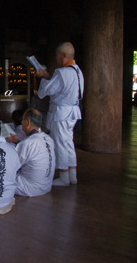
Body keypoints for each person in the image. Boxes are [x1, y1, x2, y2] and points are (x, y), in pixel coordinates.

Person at [36, 42, 83, 186]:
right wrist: (49, 77)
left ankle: (63, 177)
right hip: (72, 112)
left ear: (62, 55)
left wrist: (42, 77)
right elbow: (61, 87)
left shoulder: (62, 72)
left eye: (57, 55)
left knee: (60, 144)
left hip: (61, 113)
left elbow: (44, 92)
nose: (56, 58)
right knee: (68, 143)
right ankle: (72, 176)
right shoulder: (77, 71)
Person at [14, 109, 55, 197]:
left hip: (30, 188)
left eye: (22, 120)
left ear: (28, 122)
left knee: (1, 174)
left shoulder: (27, 143)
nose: (21, 123)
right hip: (46, 185)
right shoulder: (48, 138)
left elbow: (13, 167)